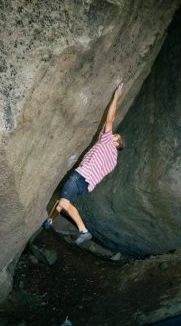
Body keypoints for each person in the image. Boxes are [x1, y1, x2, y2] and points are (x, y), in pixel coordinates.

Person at [44, 83, 125, 245]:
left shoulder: (108, 142)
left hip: (80, 176)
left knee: (65, 202)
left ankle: (83, 231)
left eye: (115, 135)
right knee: (63, 201)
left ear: (116, 142)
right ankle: (50, 221)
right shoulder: (113, 161)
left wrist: (116, 97)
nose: (112, 134)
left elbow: (110, 119)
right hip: (85, 185)